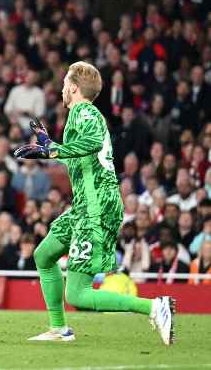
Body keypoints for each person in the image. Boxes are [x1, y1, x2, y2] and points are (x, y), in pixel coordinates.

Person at [13, 61, 175, 345]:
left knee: (77, 293)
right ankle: (59, 329)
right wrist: (51, 146)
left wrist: (53, 152)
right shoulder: (82, 114)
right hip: (84, 204)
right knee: (44, 254)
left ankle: (153, 307)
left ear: (74, 88)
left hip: (96, 205)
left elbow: (91, 143)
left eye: (65, 84)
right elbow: (81, 155)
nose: (62, 89)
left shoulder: (83, 111)